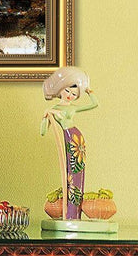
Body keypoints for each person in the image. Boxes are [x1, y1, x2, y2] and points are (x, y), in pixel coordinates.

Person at [40, 66, 98, 221]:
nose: (70, 96)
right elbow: (43, 132)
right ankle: (70, 213)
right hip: (68, 138)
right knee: (71, 172)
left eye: (74, 94)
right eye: (67, 91)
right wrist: (46, 116)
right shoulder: (54, 108)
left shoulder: (73, 108)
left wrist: (89, 91)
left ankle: (74, 214)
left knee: (77, 172)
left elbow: (94, 104)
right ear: (60, 89)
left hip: (76, 139)